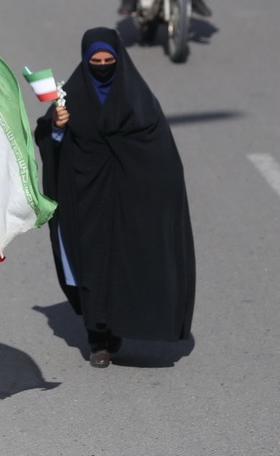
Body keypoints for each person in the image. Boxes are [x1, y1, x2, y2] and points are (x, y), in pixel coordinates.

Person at [34, 27, 195, 368]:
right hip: (86, 200)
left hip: (130, 201)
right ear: (85, 60)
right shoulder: (70, 98)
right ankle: (99, 339)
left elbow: (160, 154)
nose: (103, 66)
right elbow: (49, 140)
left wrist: (161, 198)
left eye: (109, 60)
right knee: (92, 267)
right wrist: (58, 126)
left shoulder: (139, 102)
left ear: (120, 60)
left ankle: (120, 328)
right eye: (96, 61)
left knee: (126, 267)